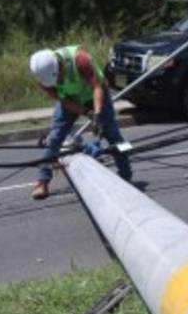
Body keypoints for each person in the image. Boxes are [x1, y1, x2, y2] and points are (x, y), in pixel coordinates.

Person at [27, 45, 132, 199]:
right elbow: (64, 100)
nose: (58, 81)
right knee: (55, 137)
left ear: (59, 65)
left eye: (58, 77)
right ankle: (42, 181)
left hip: (95, 94)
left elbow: (97, 87)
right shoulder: (44, 79)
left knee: (113, 135)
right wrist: (86, 113)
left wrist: (96, 114)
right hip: (71, 100)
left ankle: (125, 175)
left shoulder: (81, 60)